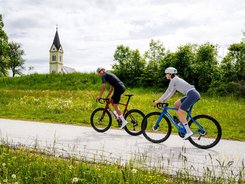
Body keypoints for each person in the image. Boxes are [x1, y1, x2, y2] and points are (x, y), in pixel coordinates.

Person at [154, 67, 200, 140]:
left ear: (170, 74)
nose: (165, 75)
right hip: (192, 94)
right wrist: (164, 100)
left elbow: (168, 91)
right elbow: (171, 92)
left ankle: (188, 131)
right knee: (176, 104)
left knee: (180, 112)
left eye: (166, 74)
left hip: (192, 95)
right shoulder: (175, 79)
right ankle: (181, 122)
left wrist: (159, 100)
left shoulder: (173, 80)